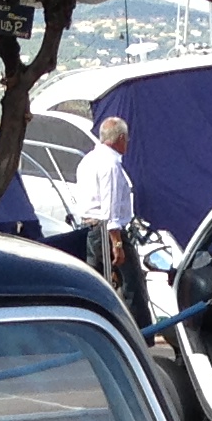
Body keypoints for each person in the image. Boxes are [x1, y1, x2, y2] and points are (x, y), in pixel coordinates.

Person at [74, 115, 148, 324]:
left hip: (91, 229)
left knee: (96, 287)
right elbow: (110, 206)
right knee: (133, 288)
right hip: (106, 231)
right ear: (121, 138)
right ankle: (141, 335)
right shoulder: (111, 164)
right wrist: (117, 243)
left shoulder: (88, 160)